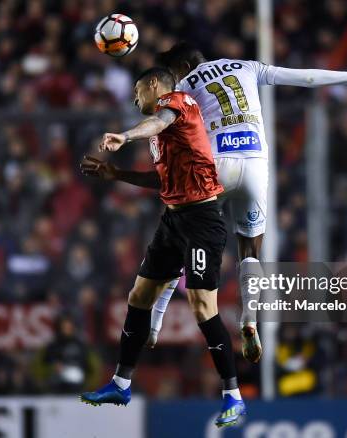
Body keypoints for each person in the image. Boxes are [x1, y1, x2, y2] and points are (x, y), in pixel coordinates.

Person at [149, 42, 347, 363]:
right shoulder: (247, 67)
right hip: (254, 164)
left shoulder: (184, 87)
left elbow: (165, 128)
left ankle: (153, 325)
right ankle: (249, 319)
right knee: (249, 251)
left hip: (217, 164)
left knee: (177, 237)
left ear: (180, 68)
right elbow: (306, 78)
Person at [79, 67, 245, 427]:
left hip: (202, 219)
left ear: (154, 85)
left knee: (203, 306)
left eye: (138, 90)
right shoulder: (163, 133)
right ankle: (121, 384)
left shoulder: (177, 104)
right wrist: (117, 174)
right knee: (139, 296)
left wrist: (125, 136)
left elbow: (156, 122)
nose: (135, 98)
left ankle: (233, 395)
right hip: (173, 220)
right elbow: (163, 178)